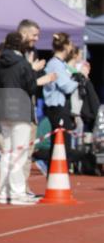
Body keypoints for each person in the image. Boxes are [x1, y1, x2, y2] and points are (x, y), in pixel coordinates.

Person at [0, 32, 55, 205]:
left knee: (6, 152)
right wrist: (35, 72)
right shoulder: (22, 63)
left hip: (4, 109)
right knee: (19, 153)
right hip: (20, 110)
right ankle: (17, 193)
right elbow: (30, 86)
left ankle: (4, 191)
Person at [43, 33, 80, 165]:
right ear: (65, 46)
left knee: (60, 146)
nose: (71, 48)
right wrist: (79, 81)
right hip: (57, 108)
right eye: (70, 45)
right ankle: (56, 177)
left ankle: (56, 177)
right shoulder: (55, 64)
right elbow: (66, 86)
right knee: (61, 146)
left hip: (60, 107)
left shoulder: (60, 64)